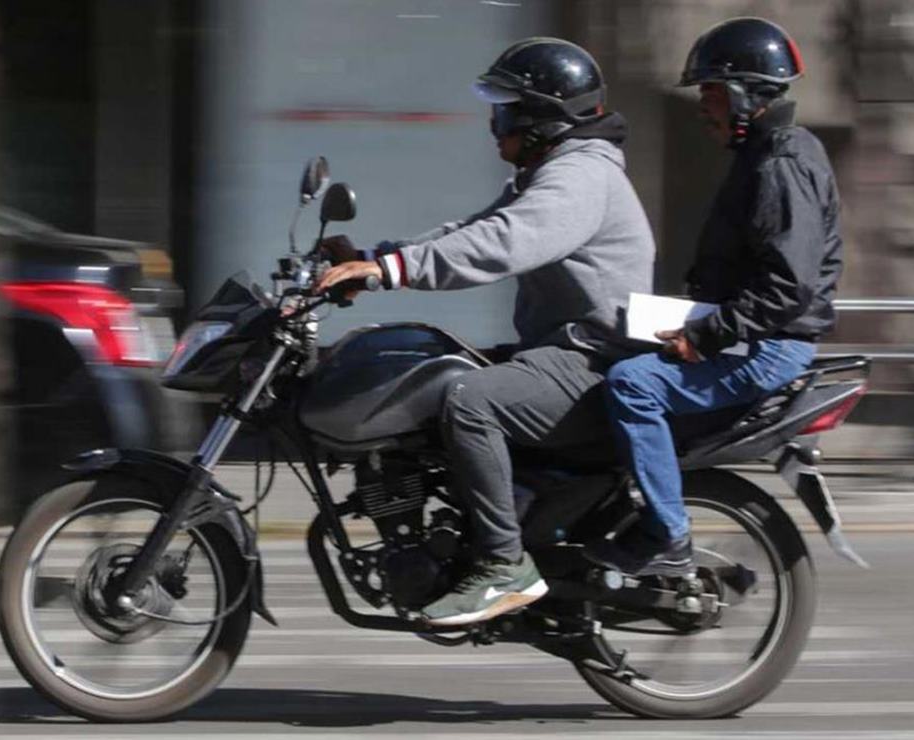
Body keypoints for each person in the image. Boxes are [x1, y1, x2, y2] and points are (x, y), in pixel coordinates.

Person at [316, 37, 656, 626]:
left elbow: (504, 244)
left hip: (592, 359)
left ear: (543, 117)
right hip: (559, 350)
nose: (495, 126)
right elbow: (474, 228)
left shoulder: (580, 176)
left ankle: (504, 567)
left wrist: (389, 272)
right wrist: (376, 258)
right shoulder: (551, 171)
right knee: (429, 368)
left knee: (468, 400)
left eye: (505, 111)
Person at [585, 18, 844, 576]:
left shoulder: (781, 163)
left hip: (770, 345)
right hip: (750, 331)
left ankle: (667, 536)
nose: (703, 106)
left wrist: (704, 335)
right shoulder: (764, 154)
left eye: (711, 93)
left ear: (744, 95)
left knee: (633, 387)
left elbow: (788, 287)